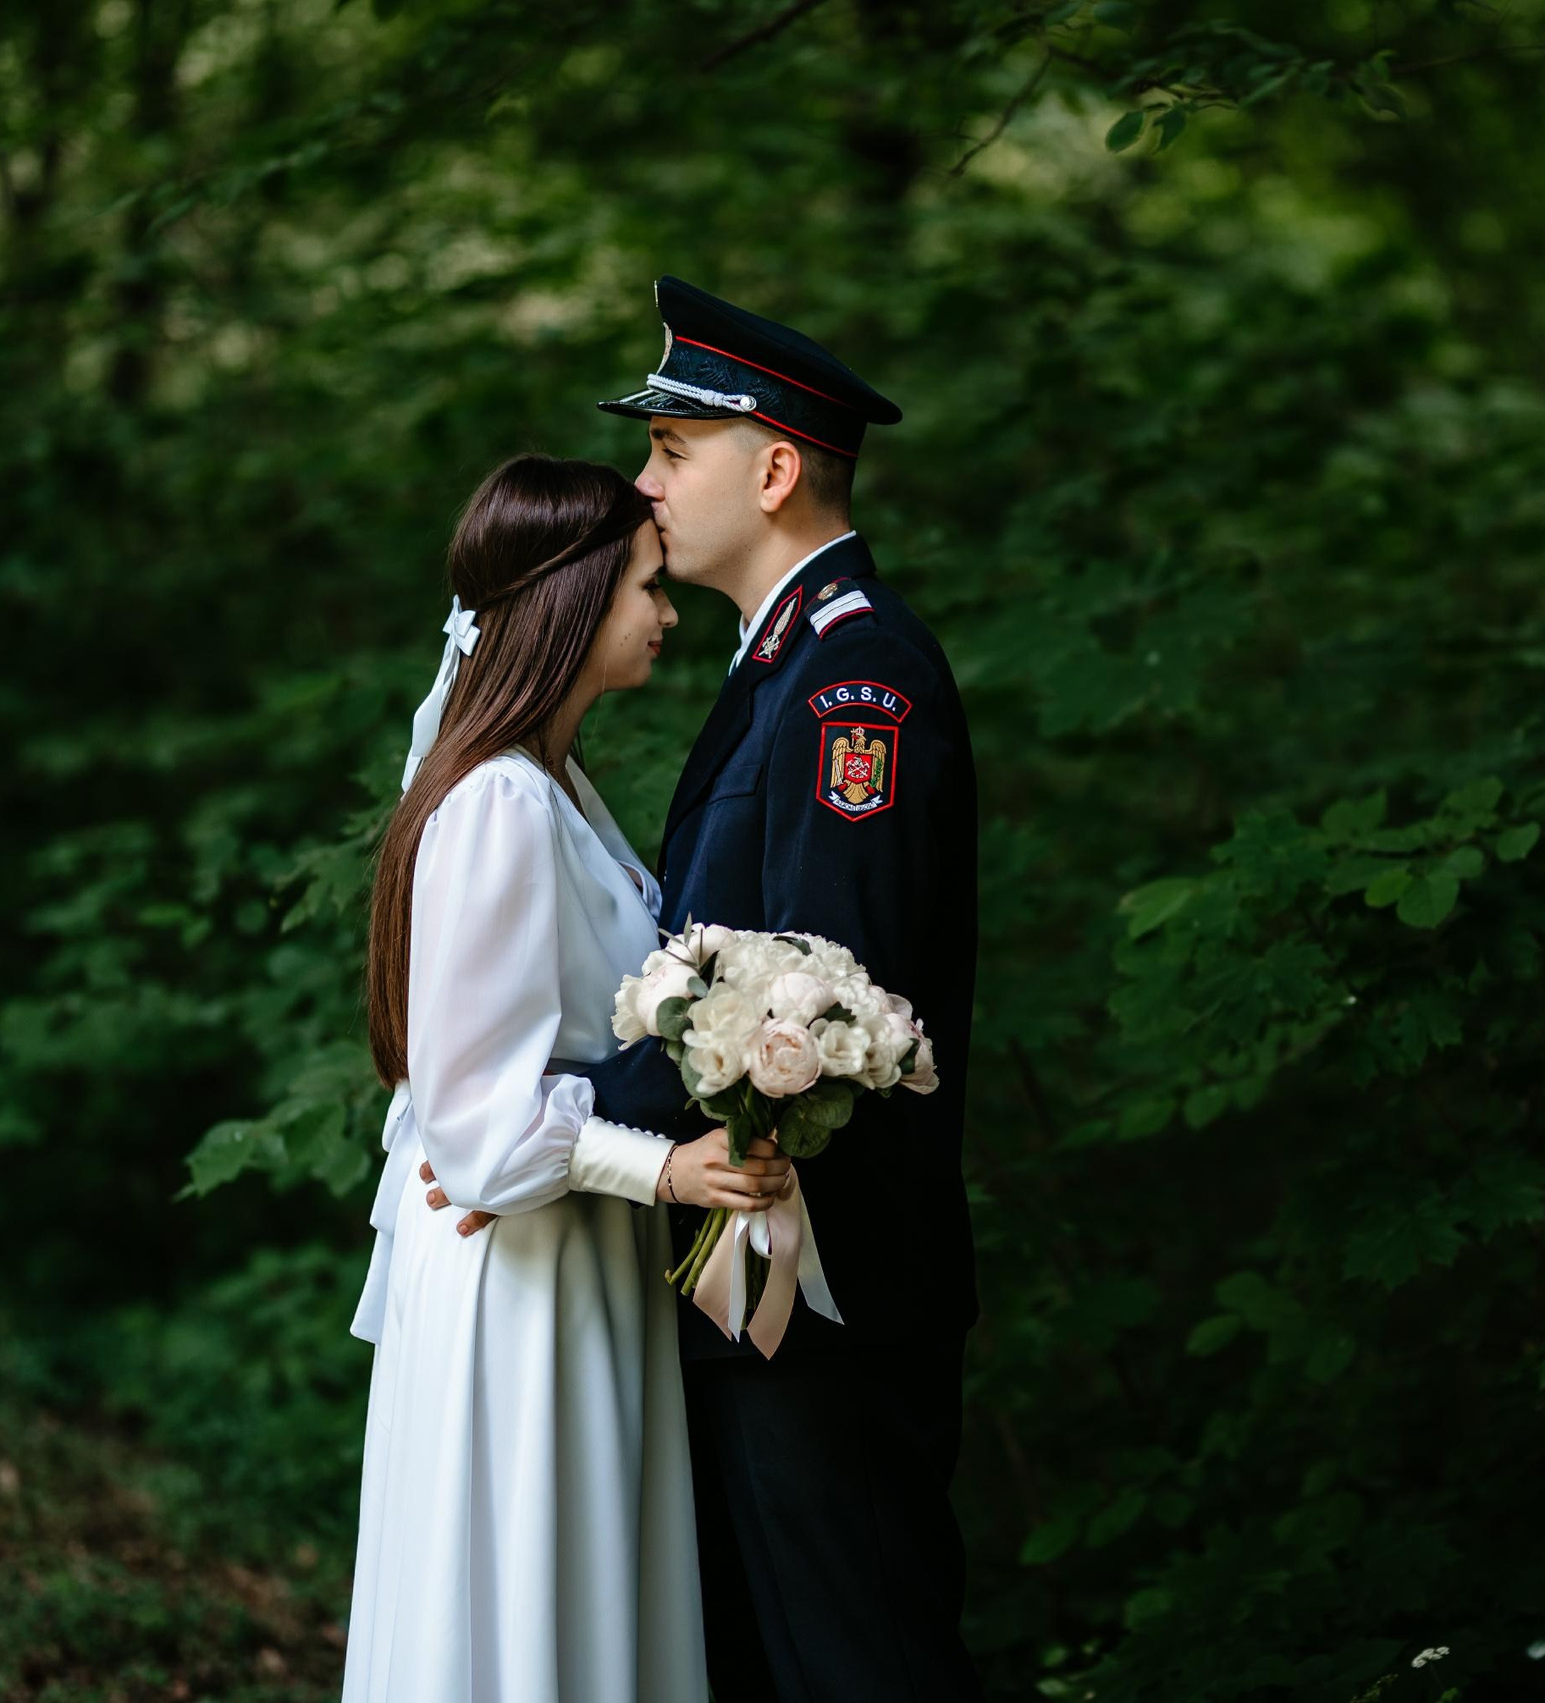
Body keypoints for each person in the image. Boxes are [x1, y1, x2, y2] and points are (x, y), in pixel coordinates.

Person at [430, 279, 984, 1701]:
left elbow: (815, 994)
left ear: (776, 467)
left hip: (825, 1270)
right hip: (741, 1259)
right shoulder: (778, 669)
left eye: (673, 451)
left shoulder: (858, 683)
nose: (644, 483)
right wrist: (541, 1132)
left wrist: (548, 1133)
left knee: (854, 1655)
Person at [340, 453, 794, 1703]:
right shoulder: (493, 801)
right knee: (527, 1594)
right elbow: (478, 1121)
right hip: (519, 1269)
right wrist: (662, 1162)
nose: (665, 613)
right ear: (576, 598)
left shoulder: (551, 784)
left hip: (572, 1249)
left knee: (589, 1597)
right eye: (647, 587)